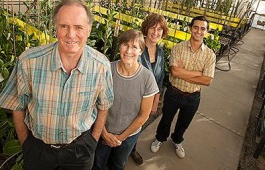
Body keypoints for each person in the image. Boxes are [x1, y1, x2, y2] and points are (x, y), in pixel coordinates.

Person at [0, 0, 114, 170]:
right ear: (55, 28)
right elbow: (17, 104)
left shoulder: (101, 66)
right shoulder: (29, 61)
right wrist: (26, 144)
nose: (71, 34)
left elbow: (104, 105)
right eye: (64, 26)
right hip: (38, 150)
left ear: (88, 30)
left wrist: (93, 140)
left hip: (80, 150)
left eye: (78, 27)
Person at [150, 16, 216, 159]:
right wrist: (198, 74)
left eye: (202, 28)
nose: (198, 31)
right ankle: (160, 138)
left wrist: (183, 73)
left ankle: (177, 140)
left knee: (183, 123)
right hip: (174, 93)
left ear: (207, 32)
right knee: (166, 119)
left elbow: (207, 81)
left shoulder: (210, 55)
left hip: (193, 96)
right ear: (190, 28)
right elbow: (174, 71)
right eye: (196, 27)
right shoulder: (178, 48)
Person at [92, 29, 159, 170]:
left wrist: (120, 138)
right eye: (125, 45)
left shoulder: (147, 78)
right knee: (97, 164)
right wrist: (104, 133)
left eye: (134, 47)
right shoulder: (107, 70)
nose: (129, 51)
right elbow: (95, 104)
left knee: (118, 165)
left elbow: (143, 115)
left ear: (141, 51)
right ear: (119, 47)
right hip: (102, 131)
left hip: (128, 136)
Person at [130, 13, 169, 165]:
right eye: (152, 27)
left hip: (147, 101)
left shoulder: (160, 52)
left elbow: (159, 80)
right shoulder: (136, 47)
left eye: (160, 29)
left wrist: (155, 101)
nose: (155, 32)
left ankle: (131, 149)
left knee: (137, 127)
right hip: (132, 97)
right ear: (146, 29)